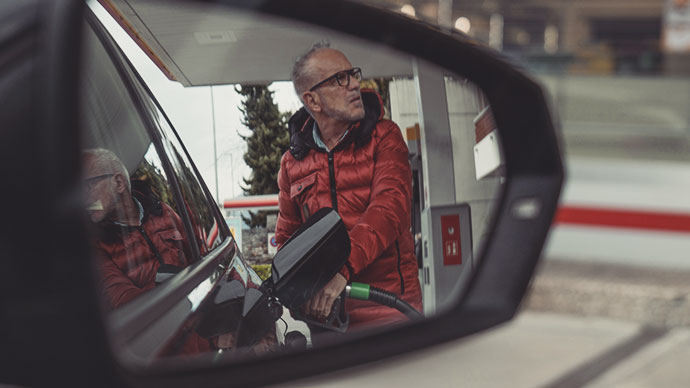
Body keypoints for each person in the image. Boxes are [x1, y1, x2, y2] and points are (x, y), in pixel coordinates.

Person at [275, 43, 422, 329]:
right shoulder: (291, 164)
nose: (355, 84)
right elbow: (287, 240)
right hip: (327, 318)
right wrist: (299, 291)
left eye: (353, 74)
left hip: (388, 309)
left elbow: (389, 209)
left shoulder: (384, 137)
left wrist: (342, 270)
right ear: (313, 101)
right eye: (340, 79)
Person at [82, 148, 193, 309]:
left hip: (197, 321)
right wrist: (169, 286)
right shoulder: (96, 246)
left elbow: (201, 251)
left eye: (87, 186)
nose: (83, 199)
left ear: (119, 183)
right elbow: (121, 300)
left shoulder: (163, 212)